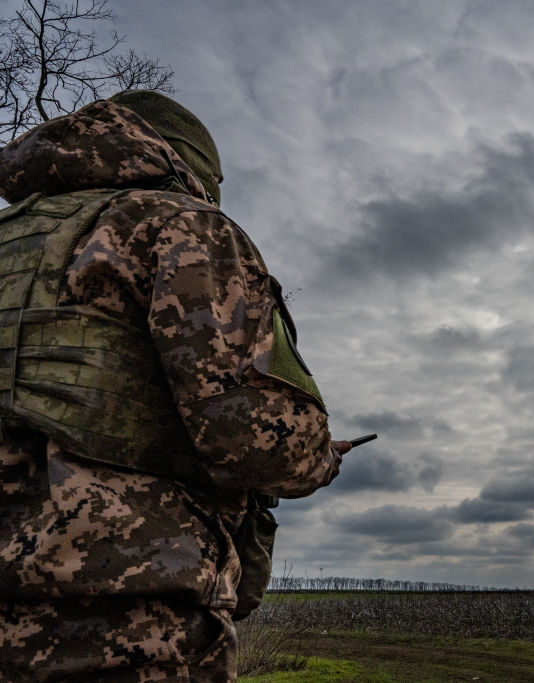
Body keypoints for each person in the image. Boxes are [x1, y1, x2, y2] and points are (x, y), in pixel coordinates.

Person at [0, 90, 349, 681]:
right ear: (191, 167)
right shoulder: (180, 225)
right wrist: (319, 457)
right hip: (120, 612)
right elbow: (257, 439)